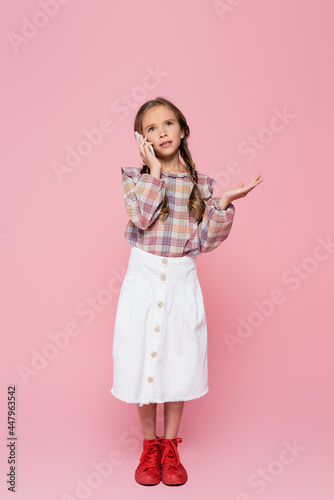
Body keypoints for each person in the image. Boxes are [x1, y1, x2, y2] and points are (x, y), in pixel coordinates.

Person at [110, 97, 263, 487]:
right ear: (141, 139)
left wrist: (223, 205)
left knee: (177, 359)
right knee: (145, 356)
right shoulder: (135, 178)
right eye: (151, 128)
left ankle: (171, 446)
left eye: (168, 124)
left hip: (181, 281)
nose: (161, 131)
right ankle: (149, 446)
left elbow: (204, 243)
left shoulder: (202, 186)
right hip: (143, 280)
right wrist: (156, 172)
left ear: (183, 130)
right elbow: (142, 217)